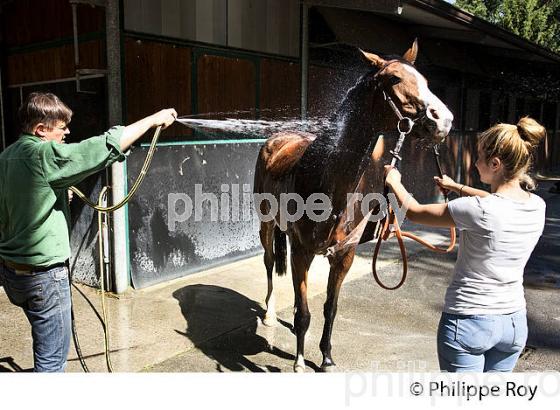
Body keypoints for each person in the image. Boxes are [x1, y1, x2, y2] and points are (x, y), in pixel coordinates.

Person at [0, 92, 177, 372]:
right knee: (50, 366)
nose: (67, 132)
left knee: (42, 341)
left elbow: (16, 205)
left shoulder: (7, 156)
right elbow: (100, 147)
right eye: (61, 127)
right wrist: (153, 120)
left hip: (12, 275)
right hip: (44, 278)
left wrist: (56, 196)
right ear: (40, 130)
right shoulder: (43, 154)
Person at [384, 117, 546, 372]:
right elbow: (496, 201)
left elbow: (413, 212)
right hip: (513, 324)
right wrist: (457, 187)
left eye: (479, 157)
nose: (475, 162)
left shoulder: (478, 210)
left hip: (469, 323)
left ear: (495, 164)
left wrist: (394, 182)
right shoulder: (537, 206)